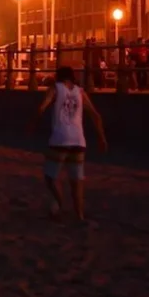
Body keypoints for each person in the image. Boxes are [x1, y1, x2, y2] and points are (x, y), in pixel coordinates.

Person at [30, 66, 107, 223]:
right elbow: (96, 115)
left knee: (50, 177)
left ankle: (59, 202)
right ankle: (79, 215)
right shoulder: (80, 92)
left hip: (60, 139)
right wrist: (102, 138)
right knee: (77, 181)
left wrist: (33, 124)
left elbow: (41, 108)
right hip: (79, 140)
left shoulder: (55, 89)